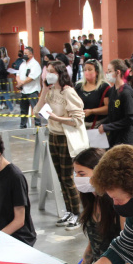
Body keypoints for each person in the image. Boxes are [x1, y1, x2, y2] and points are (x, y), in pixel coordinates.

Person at [35, 60, 85, 228]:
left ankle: (77, 213)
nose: (48, 74)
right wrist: (44, 90)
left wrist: (56, 118)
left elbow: (78, 119)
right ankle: (69, 210)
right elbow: (37, 111)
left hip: (66, 137)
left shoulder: (68, 92)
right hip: (53, 135)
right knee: (60, 177)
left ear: (60, 73)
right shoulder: (50, 91)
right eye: (47, 71)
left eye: (52, 71)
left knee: (67, 177)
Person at [71, 148, 133, 264]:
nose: (77, 179)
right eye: (75, 173)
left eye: (82, 174)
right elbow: (93, 243)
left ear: (100, 172)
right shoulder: (91, 200)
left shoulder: (119, 204)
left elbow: (130, 260)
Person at [99, 59, 133, 147]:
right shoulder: (112, 91)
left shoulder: (126, 92)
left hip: (125, 139)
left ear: (118, 72)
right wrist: (104, 125)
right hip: (114, 137)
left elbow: (130, 118)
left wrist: (108, 127)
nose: (107, 74)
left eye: (110, 71)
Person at [76, 59, 110, 129]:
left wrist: (92, 111)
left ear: (97, 72)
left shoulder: (104, 87)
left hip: (98, 125)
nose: (86, 72)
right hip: (81, 124)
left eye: (90, 69)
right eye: (85, 70)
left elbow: (108, 108)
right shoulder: (78, 86)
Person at [15, 46, 42, 129]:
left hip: (32, 90)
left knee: (35, 108)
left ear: (31, 54)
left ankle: (38, 125)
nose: (24, 55)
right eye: (24, 53)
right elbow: (18, 74)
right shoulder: (22, 64)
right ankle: (22, 125)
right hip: (24, 91)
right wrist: (19, 82)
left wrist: (21, 83)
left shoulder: (35, 64)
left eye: (26, 54)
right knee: (23, 109)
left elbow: (31, 77)